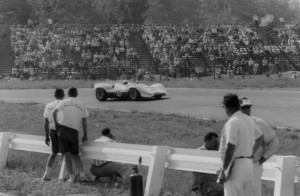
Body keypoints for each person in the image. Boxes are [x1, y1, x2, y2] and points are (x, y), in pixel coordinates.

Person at [218, 93, 263, 196]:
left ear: (226, 107)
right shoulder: (248, 120)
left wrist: (224, 170)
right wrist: (250, 153)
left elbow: (230, 146)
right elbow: (260, 137)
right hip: (248, 164)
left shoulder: (233, 122)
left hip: (235, 165)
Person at [240, 97, 280, 196]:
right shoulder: (233, 124)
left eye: (248, 107)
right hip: (239, 165)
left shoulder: (258, 123)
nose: (246, 110)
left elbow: (274, 142)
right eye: (243, 108)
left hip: (254, 165)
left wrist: (263, 159)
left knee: (254, 192)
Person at [53, 87, 89, 183]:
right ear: (76, 94)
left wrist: (57, 124)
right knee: (76, 155)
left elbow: (54, 111)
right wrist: (85, 134)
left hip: (63, 130)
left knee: (67, 155)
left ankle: (72, 177)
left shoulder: (64, 102)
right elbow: (84, 120)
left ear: (68, 94)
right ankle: (83, 175)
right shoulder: (82, 104)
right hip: (74, 132)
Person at [191, 132, 224, 196]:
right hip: (201, 186)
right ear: (207, 142)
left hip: (210, 185)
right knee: (226, 189)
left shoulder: (213, 153)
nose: (217, 144)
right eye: (215, 142)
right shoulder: (201, 151)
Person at [42, 89, 65, 181]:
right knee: (65, 153)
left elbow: (46, 122)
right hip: (62, 130)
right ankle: (62, 176)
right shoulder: (64, 104)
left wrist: (46, 136)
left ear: (54, 96)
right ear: (63, 95)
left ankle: (46, 174)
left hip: (52, 131)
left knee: (53, 153)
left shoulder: (48, 105)